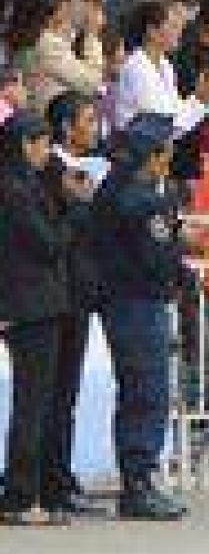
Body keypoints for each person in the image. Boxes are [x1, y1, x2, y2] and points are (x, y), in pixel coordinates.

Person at [92, 112, 191, 520]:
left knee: (140, 389)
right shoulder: (142, 198)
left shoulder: (121, 188)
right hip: (137, 301)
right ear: (154, 155)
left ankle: (139, 477)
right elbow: (157, 255)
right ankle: (139, 481)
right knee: (147, 390)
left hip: (127, 300)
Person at [0, 110, 73, 523]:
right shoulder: (16, 190)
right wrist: (71, 218)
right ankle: (21, 495)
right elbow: (46, 243)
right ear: (25, 144)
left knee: (35, 401)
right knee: (33, 402)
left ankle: (27, 490)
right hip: (33, 306)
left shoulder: (23, 185)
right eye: (42, 143)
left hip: (33, 303)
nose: (47, 151)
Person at [40, 91, 108, 515]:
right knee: (53, 394)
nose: (95, 128)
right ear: (66, 127)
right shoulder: (53, 172)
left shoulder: (88, 170)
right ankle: (50, 481)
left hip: (80, 293)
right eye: (87, 120)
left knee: (67, 393)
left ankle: (60, 475)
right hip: (59, 295)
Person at [114, 0, 209, 137]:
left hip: (161, 149)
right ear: (152, 31)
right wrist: (202, 97)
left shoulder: (164, 64)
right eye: (173, 26)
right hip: (137, 153)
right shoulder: (137, 67)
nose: (179, 32)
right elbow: (167, 126)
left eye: (179, 26)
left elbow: (177, 113)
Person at [8, 0, 105, 115]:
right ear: (49, 8)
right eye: (65, 3)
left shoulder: (27, 35)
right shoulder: (46, 43)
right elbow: (91, 82)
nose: (69, 8)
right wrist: (92, 35)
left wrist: (90, 0)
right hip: (51, 122)